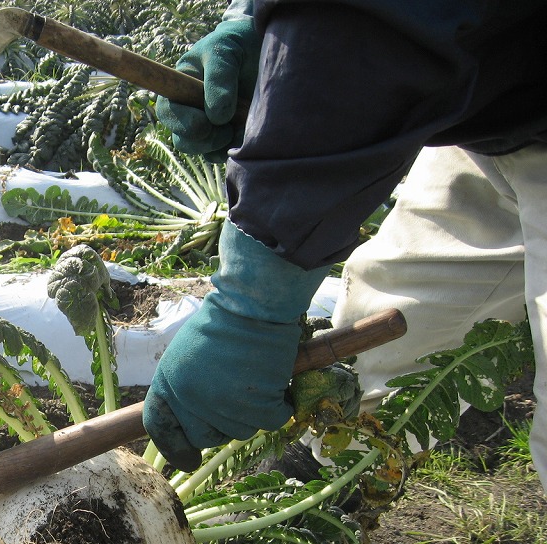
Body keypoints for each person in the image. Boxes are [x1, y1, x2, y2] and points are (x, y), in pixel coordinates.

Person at [143, 0, 547, 492]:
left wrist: (250, 304)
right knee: (398, 307)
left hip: (487, 61)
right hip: (502, 91)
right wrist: (255, 24)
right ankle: (316, 484)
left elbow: (368, 34)